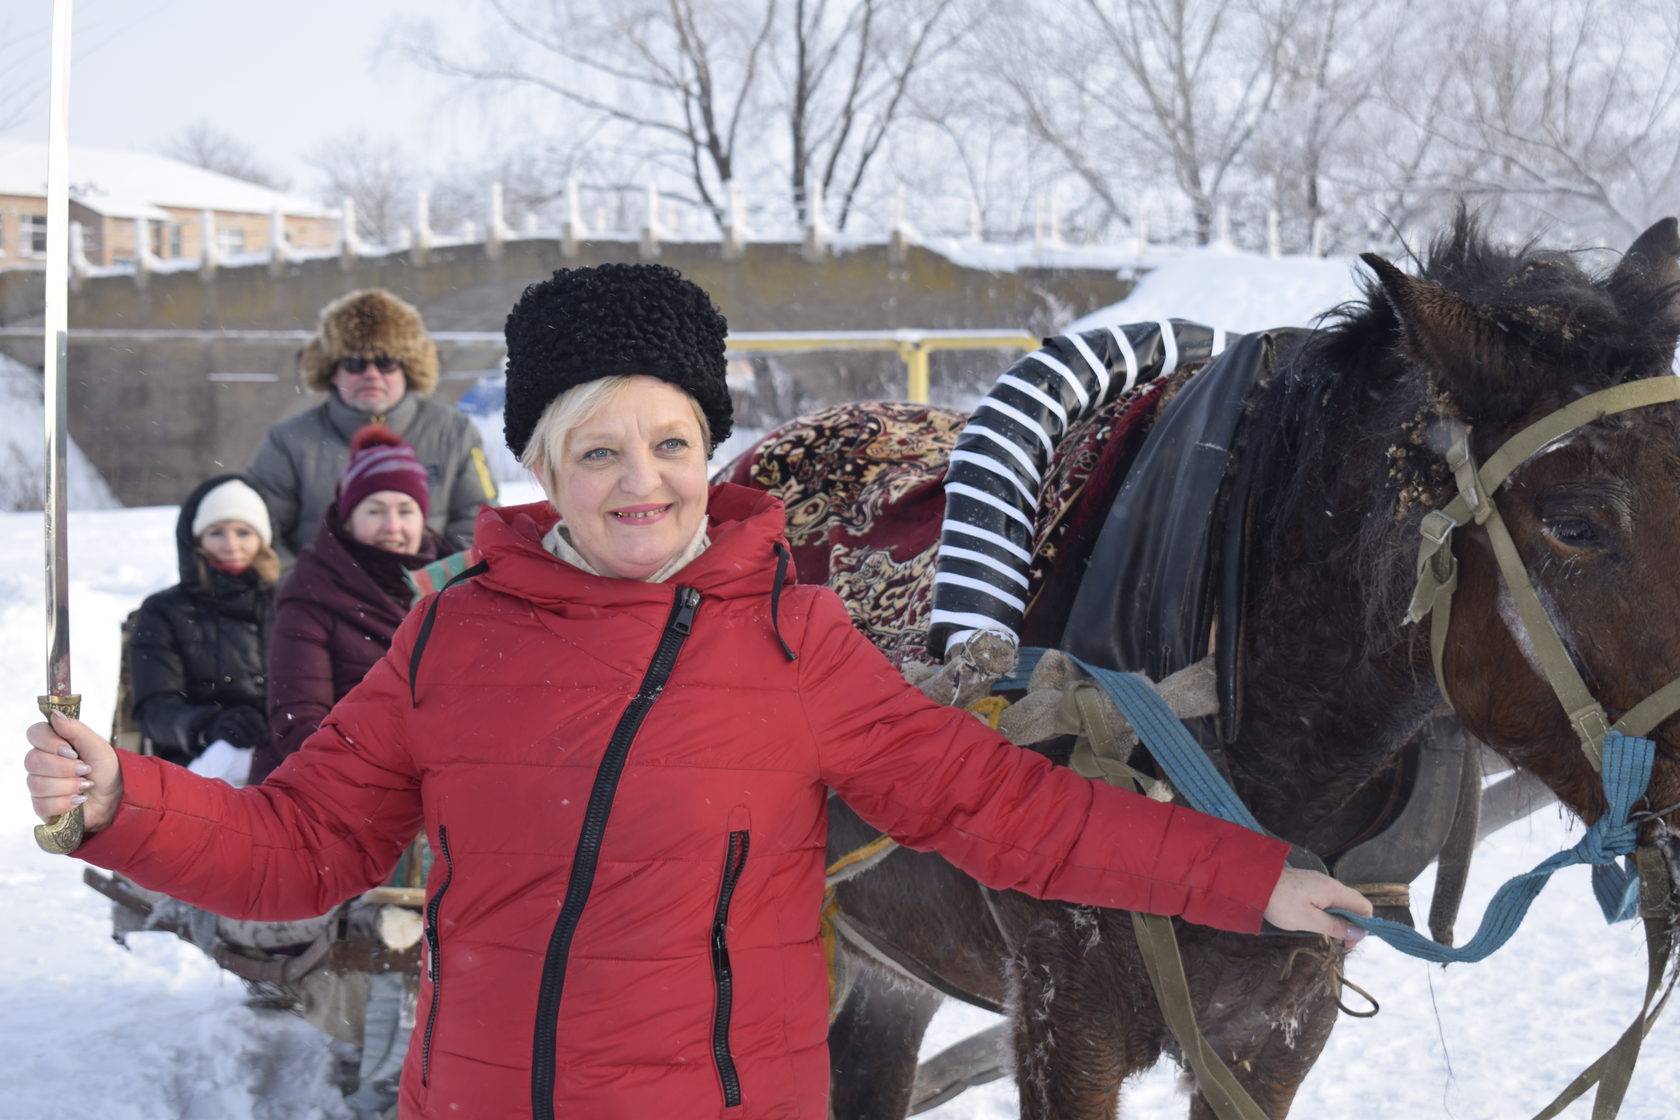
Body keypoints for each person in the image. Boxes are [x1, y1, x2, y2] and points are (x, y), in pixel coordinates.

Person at [26, 263, 1371, 1120]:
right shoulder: (450, 642)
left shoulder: (796, 644)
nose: (640, 480)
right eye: (596, 448)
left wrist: (1252, 881)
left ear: (708, 451)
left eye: (669, 441)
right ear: (546, 463)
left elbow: (1018, 813)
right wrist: (119, 803)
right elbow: (298, 846)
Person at [252, 426, 453, 784]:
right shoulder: (311, 590)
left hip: (444, 784)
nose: (393, 526)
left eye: (406, 510)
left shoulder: (456, 582)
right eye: (375, 511)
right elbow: (298, 719)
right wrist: (381, 780)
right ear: (347, 518)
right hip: (340, 786)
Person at [246, 288, 496, 566]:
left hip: (430, 599)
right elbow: (259, 529)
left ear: (409, 368)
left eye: (386, 362)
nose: (371, 374)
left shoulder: (455, 432)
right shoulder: (289, 440)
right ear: (332, 371)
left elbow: (480, 518)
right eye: (355, 364)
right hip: (321, 601)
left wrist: (439, 587)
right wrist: (304, 592)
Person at [127, 474, 277, 784]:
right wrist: (209, 725)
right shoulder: (164, 611)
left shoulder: (289, 603)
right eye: (217, 532)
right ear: (197, 539)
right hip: (197, 760)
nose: (231, 544)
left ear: (262, 539)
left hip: (281, 750)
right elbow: (153, 710)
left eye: (244, 532)